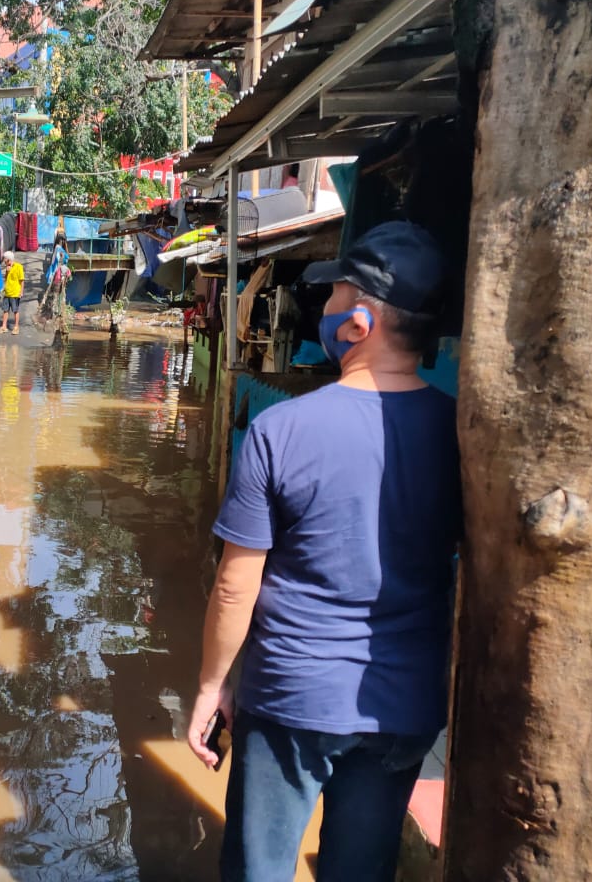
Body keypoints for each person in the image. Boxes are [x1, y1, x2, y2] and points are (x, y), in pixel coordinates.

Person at [187, 221, 462, 882]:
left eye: (335, 295)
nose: (325, 308)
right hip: (404, 705)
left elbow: (235, 585)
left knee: (258, 868)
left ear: (361, 323)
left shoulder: (282, 429)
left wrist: (211, 686)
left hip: (292, 696)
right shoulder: (462, 433)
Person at [0, 249, 24, 333]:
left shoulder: (18, 267)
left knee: (15, 310)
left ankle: (16, 327)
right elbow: (6, 279)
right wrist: (7, 272)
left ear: (8, 259)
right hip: (7, 293)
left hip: (15, 293)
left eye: (4, 259)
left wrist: (21, 292)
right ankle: (4, 326)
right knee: (5, 310)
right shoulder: (7, 268)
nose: (4, 261)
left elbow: (22, 280)